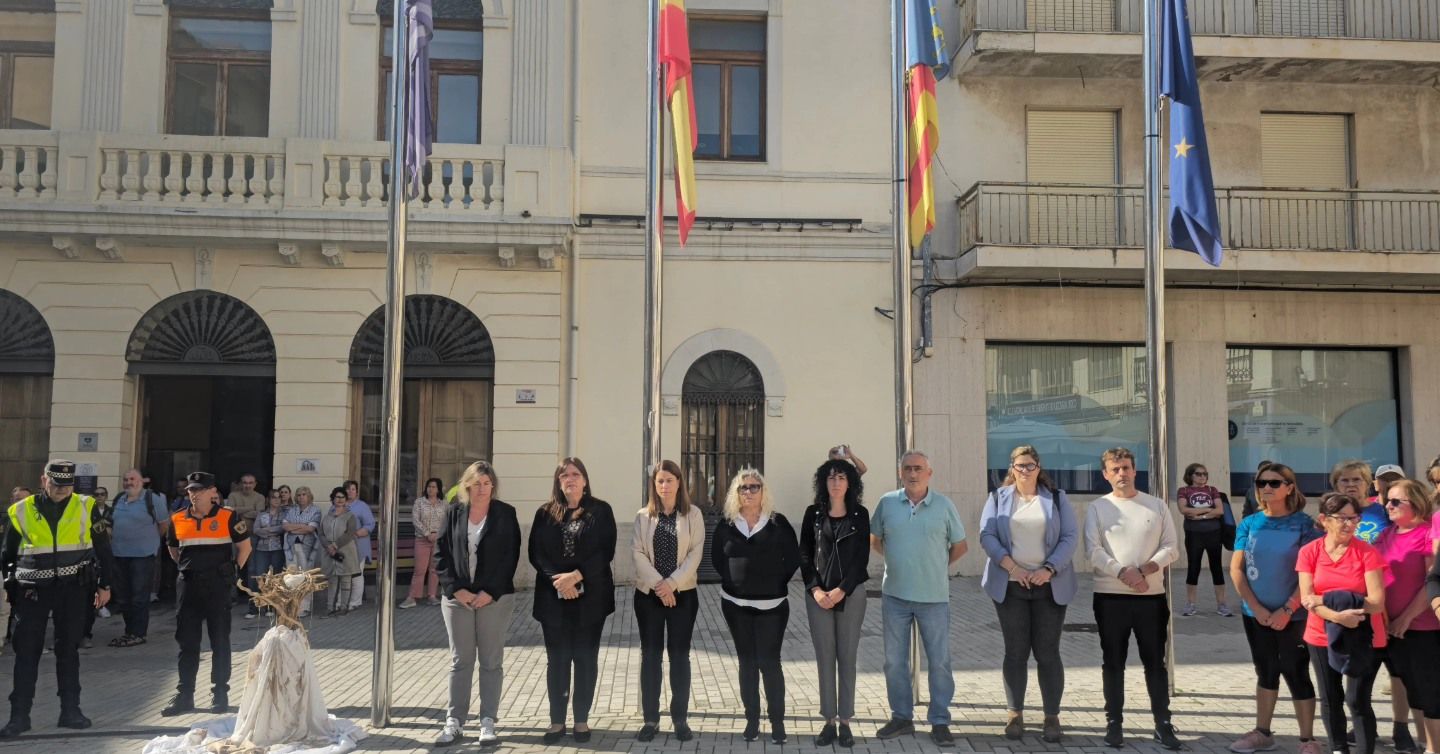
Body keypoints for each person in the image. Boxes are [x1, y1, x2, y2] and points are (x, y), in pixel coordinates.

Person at [0, 460, 114, 739]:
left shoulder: (86, 506)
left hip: (73, 588)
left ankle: (70, 711)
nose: (62, 490)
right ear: (44, 480)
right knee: (26, 652)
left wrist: (106, 585)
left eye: (67, 485)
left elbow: (103, 548)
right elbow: (7, 554)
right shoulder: (20, 510)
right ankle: (19, 716)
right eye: (56, 484)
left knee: (68, 650)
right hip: (32, 590)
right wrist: (7, 585)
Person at [980, 445, 1079, 743]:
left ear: (1038, 467)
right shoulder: (997, 498)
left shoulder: (1057, 499)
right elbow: (986, 535)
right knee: (1015, 652)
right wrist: (1012, 568)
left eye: (1030, 465)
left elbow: (1070, 537)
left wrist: (1048, 569)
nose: (1025, 470)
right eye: (1020, 465)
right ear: (1012, 468)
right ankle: (1015, 715)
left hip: (1049, 585)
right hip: (1011, 586)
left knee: (1048, 652)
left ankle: (1052, 717)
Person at [1085, 447, 1182, 750]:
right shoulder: (1098, 507)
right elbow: (1093, 550)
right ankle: (1114, 723)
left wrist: (1144, 570)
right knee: (1113, 662)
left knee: (1156, 663)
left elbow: (1171, 547)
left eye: (1126, 467)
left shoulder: (1155, 506)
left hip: (1150, 598)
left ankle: (1163, 724)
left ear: (1134, 470)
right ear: (1105, 474)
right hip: (1110, 597)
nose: (1121, 474)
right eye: (1115, 469)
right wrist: (1123, 572)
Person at [871, 450, 967, 745]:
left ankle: (939, 720)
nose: (913, 473)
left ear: (929, 473)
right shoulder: (887, 503)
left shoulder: (944, 505)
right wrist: (899, 563)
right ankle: (902, 717)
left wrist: (935, 566)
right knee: (894, 661)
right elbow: (875, 540)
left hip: (934, 597)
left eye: (919, 469)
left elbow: (960, 546)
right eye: (908, 468)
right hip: (895, 596)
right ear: (901, 472)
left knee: (939, 661)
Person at [1228, 462, 1323, 754]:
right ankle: (1263, 732)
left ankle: (1307, 739)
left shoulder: (1305, 525)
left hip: (1294, 615)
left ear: (1289, 487)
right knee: (1265, 670)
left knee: (1295, 671)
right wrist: (1255, 607)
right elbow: (1237, 568)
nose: (1266, 488)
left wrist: (1288, 608)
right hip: (1255, 614)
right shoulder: (1250, 523)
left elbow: (1312, 572)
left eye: (1274, 482)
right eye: (1261, 483)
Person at [528, 458, 616, 744]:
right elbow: (536, 553)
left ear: (585, 480)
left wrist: (577, 576)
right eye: (564, 475)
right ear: (558, 481)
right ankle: (556, 722)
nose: (570, 479)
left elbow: (606, 551)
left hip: (591, 600)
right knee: (557, 660)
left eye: (576, 474)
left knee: (585, 659)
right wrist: (560, 580)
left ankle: (581, 720)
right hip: (553, 599)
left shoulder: (601, 511)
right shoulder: (544, 513)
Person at [711, 469, 801, 745]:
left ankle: (777, 722)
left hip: (772, 606)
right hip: (736, 606)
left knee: (769, 663)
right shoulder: (727, 523)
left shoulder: (777, 523)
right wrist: (733, 582)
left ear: (764, 491)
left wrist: (774, 582)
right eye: (743, 488)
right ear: (735, 494)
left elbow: (793, 558)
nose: (748, 492)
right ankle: (752, 720)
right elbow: (716, 559)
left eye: (754, 487)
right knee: (747, 663)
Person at [434, 460, 519, 748]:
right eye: (477, 483)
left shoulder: (506, 514)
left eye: (487, 483)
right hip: (458, 600)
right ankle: (455, 721)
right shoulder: (454, 512)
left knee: (491, 661)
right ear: (467, 485)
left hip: (493, 599)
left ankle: (488, 721)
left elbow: (510, 557)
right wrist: (456, 590)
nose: (482, 488)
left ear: (493, 486)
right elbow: (440, 554)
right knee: (461, 661)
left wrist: (490, 592)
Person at [1298, 493, 1387, 754]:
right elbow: (1306, 599)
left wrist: (1326, 599)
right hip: (1320, 635)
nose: (1349, 524)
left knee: (1357, 700)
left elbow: (1377, 602)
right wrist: (1338, 617)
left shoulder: (1367, 553)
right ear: (1325, 520)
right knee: (1330, 697)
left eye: (1354, 518)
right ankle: (1338, 749)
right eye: (1342, 519)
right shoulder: (1309, 552)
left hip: (1363, 635)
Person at [160, 471, 252, 717]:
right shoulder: (178, 518)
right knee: (187, 643)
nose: (194, 494)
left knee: (220, 641)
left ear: (213, 492)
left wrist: (231, 573)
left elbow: (245, 547)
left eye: (200, 490)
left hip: (217, 586)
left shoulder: (229, 516)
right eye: (191, 490)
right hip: (189, 586)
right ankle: (184, 695)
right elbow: (173, 549)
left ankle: (220, 693)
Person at [631, 459, 704, 743]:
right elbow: (637, 554)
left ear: (679, 483)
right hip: (649, 596)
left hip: (683, 596)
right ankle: (650, 719)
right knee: (650, 657)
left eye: (669, 480)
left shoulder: (693, 515)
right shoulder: (643, 516)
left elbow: (695, 554)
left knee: (679, 656)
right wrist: (661, 587)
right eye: (659, 481)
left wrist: (672, 584)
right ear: (654, 485)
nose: (664, 485)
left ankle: (680, 719)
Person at [800, 457, 870, 748]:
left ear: (850, 483)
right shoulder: (813, 514)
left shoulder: (860, 515)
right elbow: (804, 554)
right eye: (831, 478)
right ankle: (828, 721)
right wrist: (815, 589)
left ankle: (845, 723)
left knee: (848, 658)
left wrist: (842, 590)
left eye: (842, 477)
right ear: (823, 483)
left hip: (851, 595)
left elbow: (861, 558)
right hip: (818, 597)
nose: (836, 482)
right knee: (825, 659)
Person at [1376, 479, 1437, 754]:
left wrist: (1405, 619)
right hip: (1392, 626)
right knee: (1412, 690)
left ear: (1416, 503)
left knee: (1429, 692)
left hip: (1422, 627)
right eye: (1387, 500)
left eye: (1395, 501)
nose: (1387, 505)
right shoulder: (1387, 534)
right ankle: (1425, 744)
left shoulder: (1427, 534)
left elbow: (1432, 582)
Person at [107, 469, 168, 648]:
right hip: (119, 554)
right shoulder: (119, 498)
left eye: (133, 479)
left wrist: (150, 542)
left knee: (139, 596)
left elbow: (163, 525)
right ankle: (129, 631)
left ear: (143, 481)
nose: (129, 482)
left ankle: (138, 633)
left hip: (143, 555)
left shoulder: (153, 499)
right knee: (124, 596)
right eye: (126, 479)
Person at [1178, 462, 1233, 617]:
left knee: (1217, 568)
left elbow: (1220, 510)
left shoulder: (1212, 490)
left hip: (1213, 534)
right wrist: (1209, 510)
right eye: (1199, 474)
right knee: (1193, 568)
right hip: (1193, 534)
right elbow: (1183, 509)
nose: (1202, 477)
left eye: (1205, 474)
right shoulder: (1184, 490)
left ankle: (1222, 604)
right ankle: (1190, 604)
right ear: (1190, 475)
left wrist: (1200, 515)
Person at [401, 478, 446, 609]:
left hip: (438, 540)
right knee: (420, 569)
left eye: (433, 487)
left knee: (434, 569)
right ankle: (412, 597)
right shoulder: (419, 502)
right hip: (422, 539)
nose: (431, 489)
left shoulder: (444, 504)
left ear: (438, 489)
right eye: (429, 486)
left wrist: (438, 535)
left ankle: (432, 596)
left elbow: (446, 521)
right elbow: (416, 520)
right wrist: (427, 534)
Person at [246, 489, 287, 618]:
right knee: (259, 576)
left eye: (279, 497)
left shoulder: (285, 514)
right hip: (261, 549)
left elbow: (283, 528)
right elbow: (256, 530)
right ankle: (254, 607)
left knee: (275, 578)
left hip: (278, 549)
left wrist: (268, 530)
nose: (276, 500)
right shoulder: (262, 514)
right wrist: (272, 531)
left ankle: (271, 607)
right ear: (268, 500)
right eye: (273, 497)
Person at [282, 486, 322, 617]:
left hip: (307, 547)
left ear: (309, 496)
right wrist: (301, 526)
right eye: (298, 495)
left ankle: (305, 607)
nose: (301, 497)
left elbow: (310, 529)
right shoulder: (292, 510)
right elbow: (285, 526)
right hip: (291, 546)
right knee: (292, 576)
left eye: (304, 494)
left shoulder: (315, 510)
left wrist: (293, 528)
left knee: (305, 576)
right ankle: (293, 606)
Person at [318, 488, 358, 616]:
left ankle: (343, 607)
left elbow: (350, 533)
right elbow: (321, 534)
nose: (340, 499)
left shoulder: (350, 516)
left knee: (346, 579)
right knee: (332, 580)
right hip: (330, 552)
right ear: (332, 499)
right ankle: (330, 607)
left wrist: (335, 545)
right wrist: (328, 546)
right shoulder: (327, 517)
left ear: (346, 500)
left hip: (345, 551)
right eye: (337, 497)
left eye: (342, 497)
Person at [343, 480, 374, 610]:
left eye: (353, 489)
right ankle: (342, 602)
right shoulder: (337, 505)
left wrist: (355, 534)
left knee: (356, 575)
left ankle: (355, 602)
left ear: (357, 492)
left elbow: (370, 525)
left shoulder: (362, 506)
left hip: (358, 545)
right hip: (341, 546)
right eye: (348, 489)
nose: (350, 491)